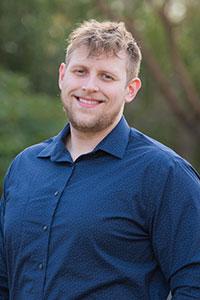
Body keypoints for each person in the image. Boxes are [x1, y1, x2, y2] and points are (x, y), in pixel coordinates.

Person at [0, 19, 200, 300]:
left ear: (130, 89)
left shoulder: (164, 173)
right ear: (62, 76)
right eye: (80, 71)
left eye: (106, 76)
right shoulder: (24, 167)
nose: (90, 86)